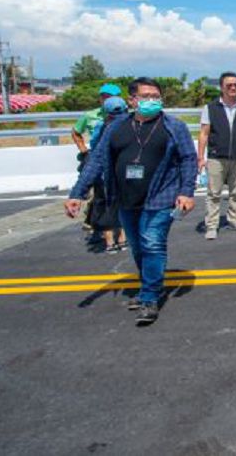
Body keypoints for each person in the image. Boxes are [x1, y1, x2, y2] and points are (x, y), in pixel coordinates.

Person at [64, 77, 197, 325]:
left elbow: (189, 159)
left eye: (156, 97)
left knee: (152, 243)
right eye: (146, 96)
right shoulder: (115, 128)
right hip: (125, 199)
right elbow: (96, 161)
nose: (152, 101)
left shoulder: (173, 126)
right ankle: (152, 287)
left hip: (161, 196)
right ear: (132, 100)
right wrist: (77, 194)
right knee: (138, 247)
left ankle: (149, 298)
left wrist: (186, 191)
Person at [197, 72, 236, 240]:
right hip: (217, 156)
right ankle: (211, 225)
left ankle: (234, 219)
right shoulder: (210, 108)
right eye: (229, 85)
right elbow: (203, 134)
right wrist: (200, 157)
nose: (233, 88)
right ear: (221, 87)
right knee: (214, 193)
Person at [70, 82, 124, 238]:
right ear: (100, 99)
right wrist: (84, 151)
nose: (107, 100)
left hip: (118, 158)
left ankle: (114, 229)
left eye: (111, 97)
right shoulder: (91, 116)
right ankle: (97, 226)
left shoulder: (123, 113)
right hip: (97, 157)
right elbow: (76, 132)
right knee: (97, 193)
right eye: (104, 97)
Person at [86, 96, 130, 253]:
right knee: (125, 205)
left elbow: (94, 146)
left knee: (105, 205)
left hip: (105, 174)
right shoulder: (131, 124)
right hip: (126, 173)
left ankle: (110, 242)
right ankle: (123, 239)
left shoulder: (101, 126)